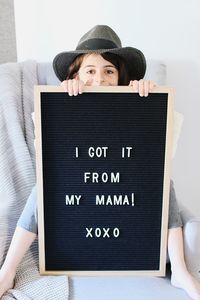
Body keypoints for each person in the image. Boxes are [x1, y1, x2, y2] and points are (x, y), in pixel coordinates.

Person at [0, 25, 200, 300]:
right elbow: (48, 151)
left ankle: (179, 270)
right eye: (90, 71)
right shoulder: (63, 101)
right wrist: (62, 98)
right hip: (80, 188)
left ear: (120, 77)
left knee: (165, 183)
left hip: (126, 184)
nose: (100, 78)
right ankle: (8, 270)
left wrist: (147, 99)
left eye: (109, 71)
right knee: (44, 188)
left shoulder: (137, 99)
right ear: (76, 75)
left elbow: (163, 151)